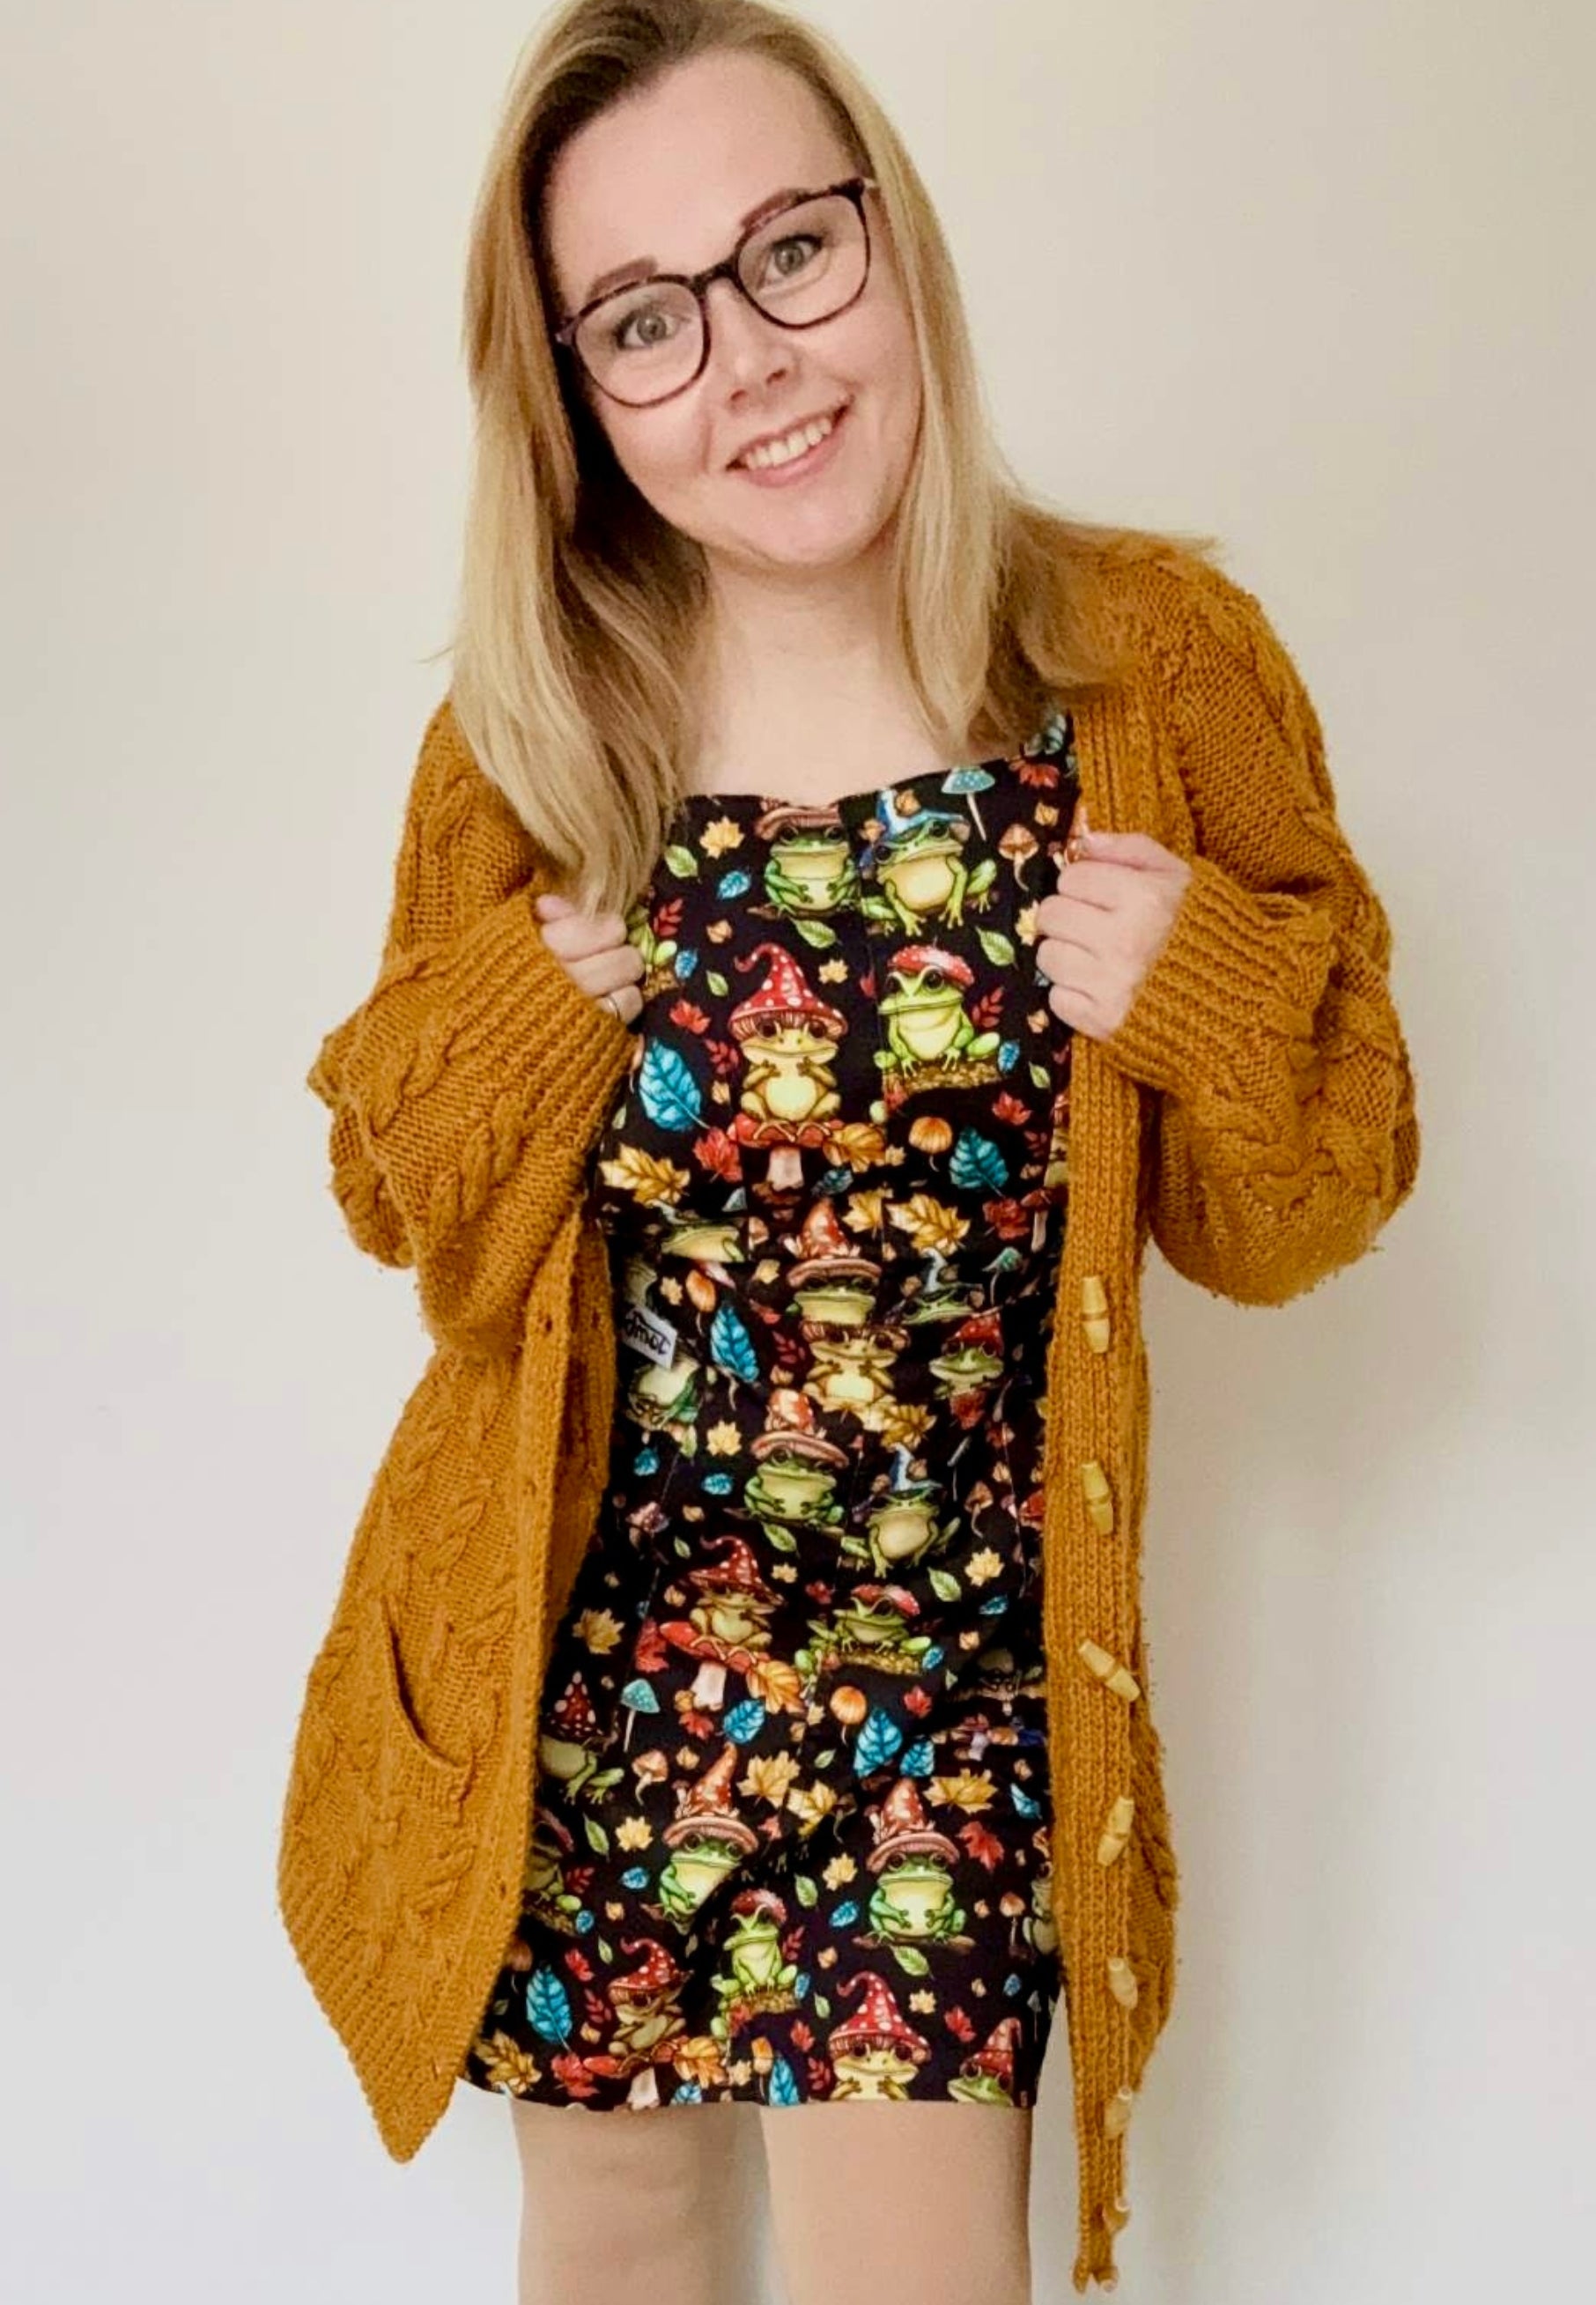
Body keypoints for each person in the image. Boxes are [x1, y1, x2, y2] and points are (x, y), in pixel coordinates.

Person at [276, 3, 1421, 2299]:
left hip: (947, 1693)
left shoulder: (1144, 662)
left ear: (892, 244)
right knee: (612, 2246)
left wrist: (1195, 985)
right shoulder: (533, 731)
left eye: (793, 251)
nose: (752, 362)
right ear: (575, 394)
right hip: (597, 1681)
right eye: (645, 320)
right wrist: (519, 1003)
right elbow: (415, 1224)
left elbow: (1314, 1198)